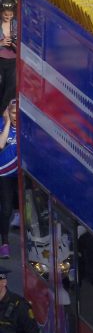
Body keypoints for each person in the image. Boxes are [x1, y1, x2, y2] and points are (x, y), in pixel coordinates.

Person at [0, 102, 15, 260]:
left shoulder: (27, 125)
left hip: (22, 175)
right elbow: (1, 143)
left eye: (18, 113)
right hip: (4, 175)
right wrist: (7, 122)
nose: (15, 116)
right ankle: (4, 243)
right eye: (12, 113)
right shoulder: (2, 123)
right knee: (6, 210)